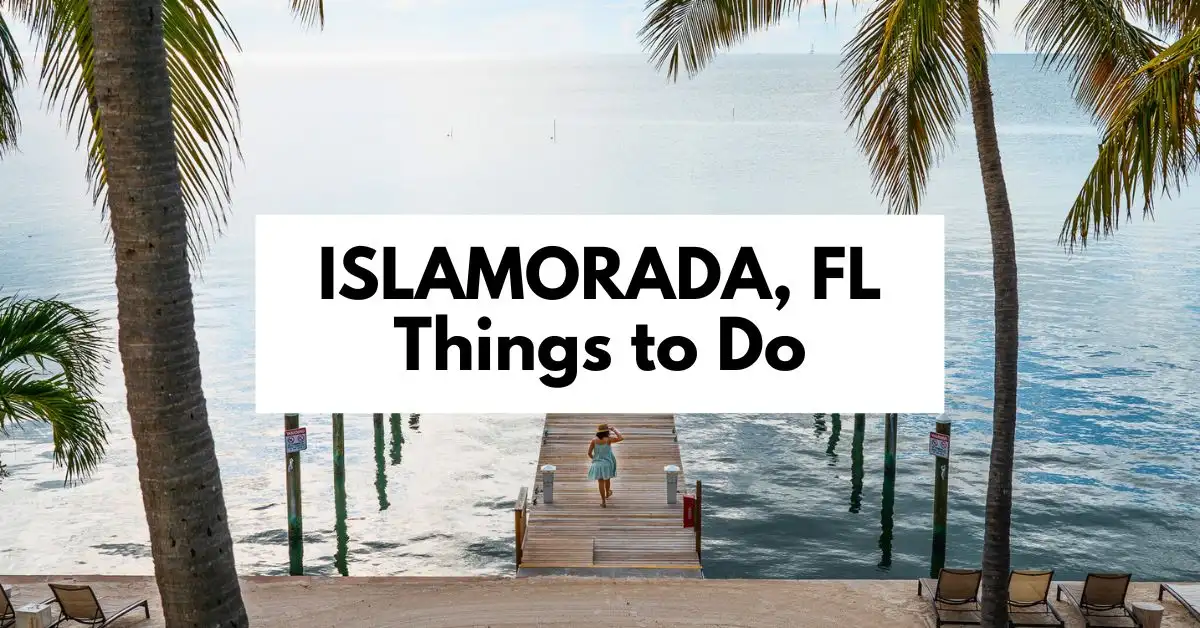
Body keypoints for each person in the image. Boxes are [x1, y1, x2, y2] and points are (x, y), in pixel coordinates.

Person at [587, 423, 623, 507]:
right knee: (607, 479)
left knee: (600, 482)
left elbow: (589, 453)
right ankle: (607, 494)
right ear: (607, 432)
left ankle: (603, 501)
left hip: (597, 464)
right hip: (607, 463)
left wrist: (595, 460)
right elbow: (621, 438)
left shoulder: (594, 440)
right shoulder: (608, 440)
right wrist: (614, 430)